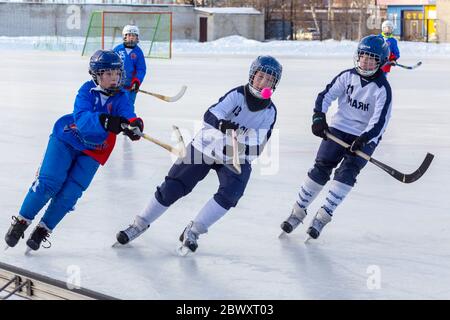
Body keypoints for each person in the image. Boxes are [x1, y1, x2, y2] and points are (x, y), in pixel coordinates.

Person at [115, 56, 282, 253]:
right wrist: (222, 125)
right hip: (207, 145)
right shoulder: (237, 95)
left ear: (274, 84)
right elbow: (211, 114)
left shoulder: (270, 111)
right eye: (260, 76)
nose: (263, 82)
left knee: (232, 194)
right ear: (252, 76)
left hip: (235, 156)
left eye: (269, 80)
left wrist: (241, 147)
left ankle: (193, 230)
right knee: (174, 186)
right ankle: (140, 224)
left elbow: (259, 141)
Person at [4, 50, 144, 252]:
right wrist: (106, 121)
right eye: (108, 73)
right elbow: (82, 118)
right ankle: (22, 220)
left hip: (96, 149)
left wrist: (134, 125)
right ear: (96, 75)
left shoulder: (122, 96)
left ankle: (43, 229)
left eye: (117, 73)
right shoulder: (86, 91)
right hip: (67, 138)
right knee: (49, 183)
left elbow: (128, 114)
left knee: (71, 192)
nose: (114, 78)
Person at [280, 35, 391, 240]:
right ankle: (298, 211)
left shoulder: (382, 90)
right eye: (363, 56)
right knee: (321, 166)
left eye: (372, 58)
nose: (365, 61)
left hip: (365, 136)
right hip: (339, 129)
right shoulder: (347, 77)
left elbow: (379, 123)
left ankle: (323, 216)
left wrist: (363, 139)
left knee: (347, 172)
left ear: (381, 62)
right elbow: (325, 97)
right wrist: (318, 118)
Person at [114, 25, 146, 111]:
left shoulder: (138, 52)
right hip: (116, 86)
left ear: (137, 38)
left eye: (134, 35)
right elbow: (111, 65)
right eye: (129, 35)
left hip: (131, 87)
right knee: (114, 105)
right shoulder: (117, 50)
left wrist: (136, 82)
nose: (131, 38)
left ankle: (129, 123)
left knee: (128, 106)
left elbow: (141, 69)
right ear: (125, 36)